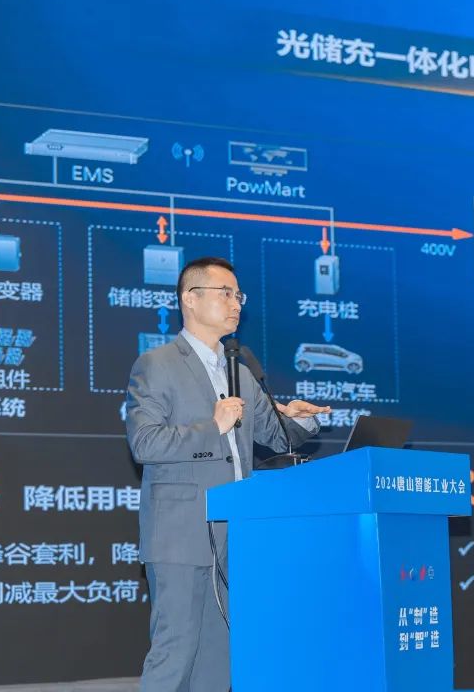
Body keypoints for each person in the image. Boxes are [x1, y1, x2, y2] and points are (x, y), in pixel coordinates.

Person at [125, 256, 330, 692]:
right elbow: (145, 443)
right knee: (176, 652)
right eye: (226, 294)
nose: (236, 304)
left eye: (239, 296)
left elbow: (277, 437)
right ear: (190, 299)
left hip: (237, 533)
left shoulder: (240, 371)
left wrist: (302, 419)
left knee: (221, 659)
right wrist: (212, 427)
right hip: (182, 533)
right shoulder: (158, 364)